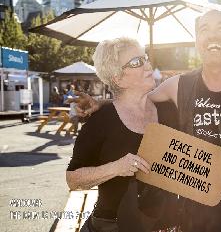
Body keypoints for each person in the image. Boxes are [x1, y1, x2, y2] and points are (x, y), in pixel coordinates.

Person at [73, 9, 221, 232]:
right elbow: (134, 99)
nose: (212, 35)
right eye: (204, 29)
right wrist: (101, 104)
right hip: (194, 220)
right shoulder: (179, 85)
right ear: (197, 41)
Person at [66, 37, 179, 232]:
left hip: (166, 224)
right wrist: (116, 168)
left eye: (145, 58)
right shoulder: (100, 121)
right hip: (114, 225)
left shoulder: (169, 111)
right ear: (117, 78)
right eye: (137, 62)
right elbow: (73, 179)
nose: (147, 65)